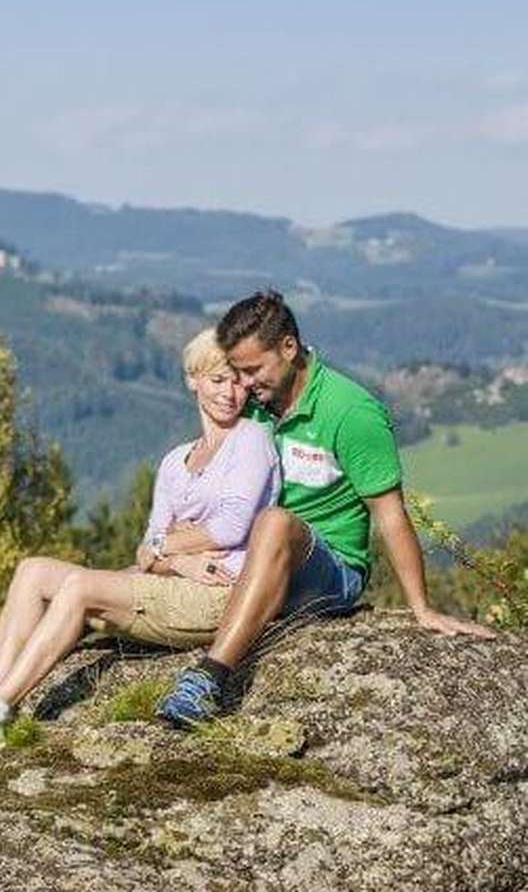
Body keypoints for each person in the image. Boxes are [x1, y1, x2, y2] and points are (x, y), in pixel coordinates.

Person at [0, 327, 280, 760]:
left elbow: (230, 529)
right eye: (218, 380)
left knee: (79, 589)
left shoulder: (251, 440)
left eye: (239, 381)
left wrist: (166, 547)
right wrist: (177, 556)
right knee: (33, 571)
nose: (231, 392)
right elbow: (146, 548)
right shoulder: (174, 462)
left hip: (221, 595)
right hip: (177, 583)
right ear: (193, 379)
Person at [154, 290, 496, 727]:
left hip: (330, 570)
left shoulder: (350, 411)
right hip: (254, 559)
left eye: (254, 370)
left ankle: (209, 679)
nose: (245, 384)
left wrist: (421, 608)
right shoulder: (255, 408)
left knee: (275, 523)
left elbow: (389, 513)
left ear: (289, 348)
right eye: (237, 372)